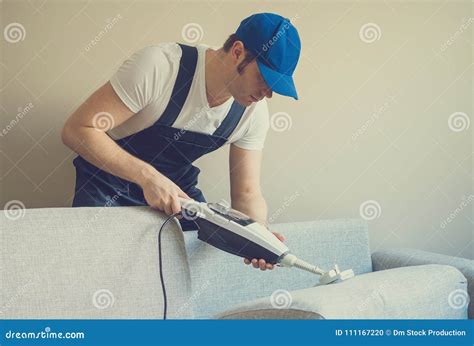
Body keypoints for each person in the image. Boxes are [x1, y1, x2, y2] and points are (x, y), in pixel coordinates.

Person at [61, 13, 301, 271]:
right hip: (105, 188)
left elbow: (247, 193)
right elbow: (77, 130)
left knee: (188, 273)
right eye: (264, 79)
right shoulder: (160, 66)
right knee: (97, 272)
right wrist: (148, 177)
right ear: (238, 52)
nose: (268, 93)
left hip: (178, 197)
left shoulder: (253, 112)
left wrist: (259, 238)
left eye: (276, 86)